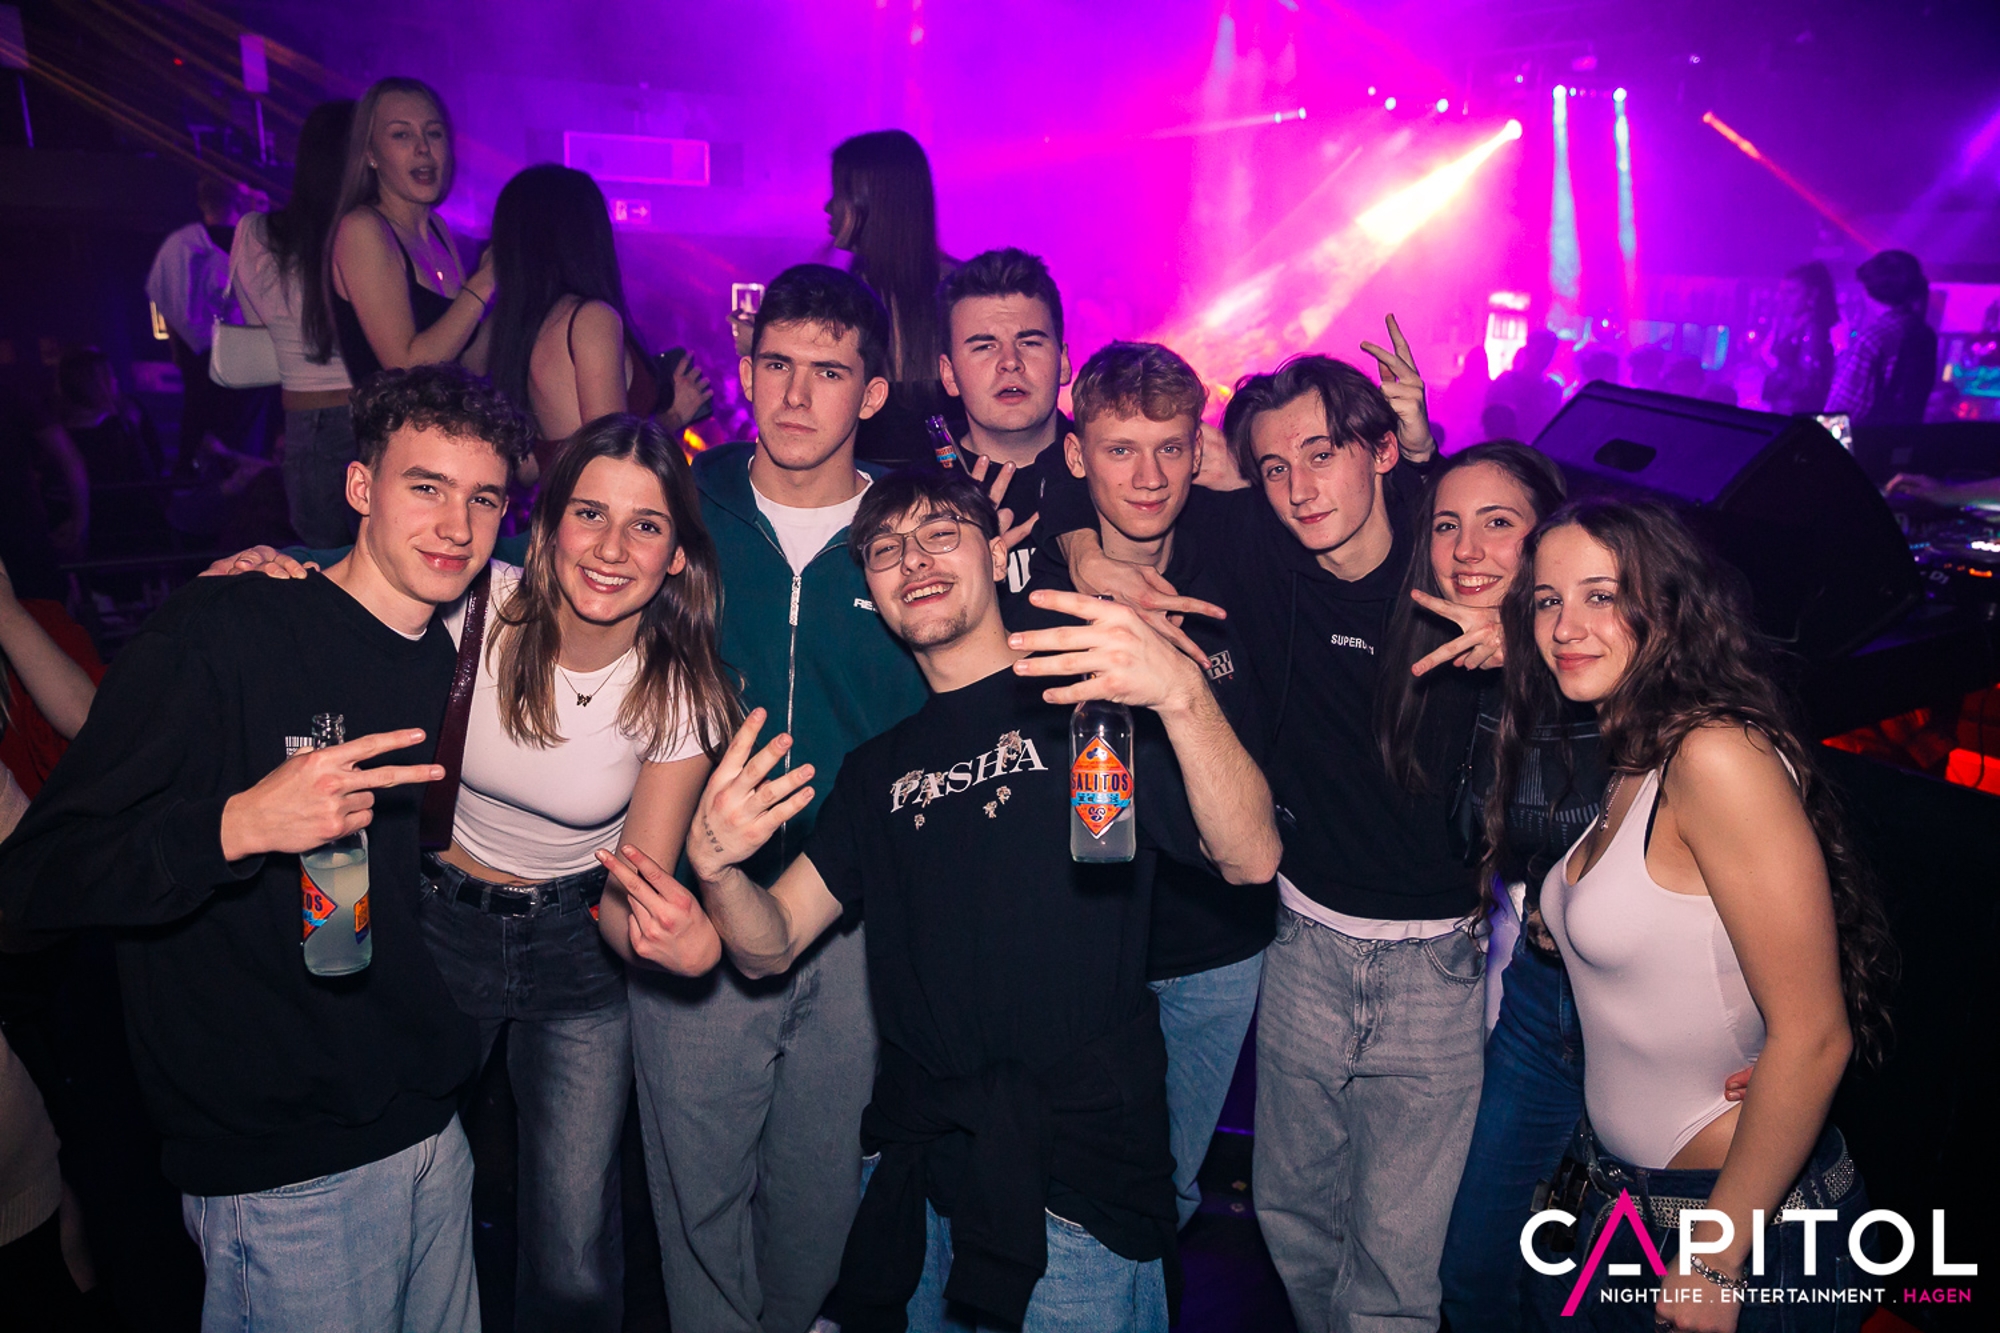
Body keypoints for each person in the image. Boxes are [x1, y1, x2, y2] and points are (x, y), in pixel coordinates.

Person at [603, 466, 1281, 1332]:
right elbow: (770, 945)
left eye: (940, 534)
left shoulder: (1087, 707)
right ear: (873, 589)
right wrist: (721, 872)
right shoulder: (876, 771)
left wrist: (1182, 695)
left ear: (997, 556)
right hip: (919, 1180)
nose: (913, 559)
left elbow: (1251, 858)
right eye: (886, 549)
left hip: (1077, 1179)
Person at [0, 363, 528, 1333]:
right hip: (287, 1171)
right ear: (359, 485)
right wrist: (237, 826)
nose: (455, 525)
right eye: (425, 486)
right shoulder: (225, 626)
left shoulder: (449, 659)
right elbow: (35, 880)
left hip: (424, 1125)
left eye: (482, 497)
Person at [1054, 331, 1492, 1331]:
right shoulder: (1251, 544)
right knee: (1291, 1218)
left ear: (1380, 452)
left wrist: (1519, 613)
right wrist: (1083, 549)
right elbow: (1089, 478)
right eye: (1276, 467)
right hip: (1292, 934)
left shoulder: (1449, 565)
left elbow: (1548, 543)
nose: (1299, 487)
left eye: (1322, 454)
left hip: (1422, 953)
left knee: (1394, 1261)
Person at [626, 262, 930, 1333]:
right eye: (778, 366)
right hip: (699, 905)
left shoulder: (909, 533)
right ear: (747, 371)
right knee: (697, 1208)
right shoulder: (682, 505)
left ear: (872, 392)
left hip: (853, 921)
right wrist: (305, 560)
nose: (797, 395)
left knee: (818, 1201)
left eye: (829, 372)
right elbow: (534, 572)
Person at [1510, 500, 1895, 1331]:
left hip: (1736, 1228)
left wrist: (1717, 1257)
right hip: (1623, 1203)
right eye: (1547, 600)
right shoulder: (1636, 745)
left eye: (1601, 595)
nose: (1565, 626)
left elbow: (1816, 1032)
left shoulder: (1714, 754)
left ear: (1668, 605)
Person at [1010, 340, 1274, 1232]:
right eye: (1120, 449)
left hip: (1216, 943)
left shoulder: (1239, 556)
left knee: (1171, 1192)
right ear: (1078, 454)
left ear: (1200, 451)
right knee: (1064, 1192)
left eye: (1169, 447)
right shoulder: (1036, 580)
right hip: (1074, 940)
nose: (1149, 476)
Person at [484, 164, 712, 475]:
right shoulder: (590, 319)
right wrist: (673, 416)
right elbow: (610, 457)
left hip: (560, 501)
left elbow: (528, 469)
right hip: (597, 503)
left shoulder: (522, 328)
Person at [230, 98, 361, 546]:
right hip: (377, 414)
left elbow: (257, 323)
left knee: (326, 568)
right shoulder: (371, 234)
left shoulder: (255, 232)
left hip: (308, 418)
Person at [329, 78, 494, 385]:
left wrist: (515, 286)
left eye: (434, 133)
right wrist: (482, 284)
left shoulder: (437, 228)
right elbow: (404, 368)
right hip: (395, 418)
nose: (423, 148)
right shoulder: (362, 229)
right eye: (401, 134)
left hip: (449, 415)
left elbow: (472, 362)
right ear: (370, 154)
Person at [936, 247, 1073, 610]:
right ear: (949, 375)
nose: (1010, 362)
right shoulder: (919, 497)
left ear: (1063, 361)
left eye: (1029, 342)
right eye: (984, 346)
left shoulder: (1119, 467)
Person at [827, 129, 958, 467]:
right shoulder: (843, 293)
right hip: (870, 489)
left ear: (875, 202)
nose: (828, 207)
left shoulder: (962, 293)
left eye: (839, 193)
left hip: (941, 487)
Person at [147, 175, 275, 467]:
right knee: (244, 424)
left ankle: (192, 474)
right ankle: (245, 474)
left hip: (198, 351)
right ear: (238, 202)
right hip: (246, 349)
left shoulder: (179, 245)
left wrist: (177, 349)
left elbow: (168, 300)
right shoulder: (257, 243)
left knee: (199, 414)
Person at [1826, 249, 1938, 427]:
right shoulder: (1925, 333)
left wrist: (1841, 351)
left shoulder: (1873, 340)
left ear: (1868, 291)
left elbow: (1842, 412)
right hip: (1906, 439)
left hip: (1868, 442)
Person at [1760, 262, 1837, 416]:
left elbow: (1806, 381)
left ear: (1812, 294)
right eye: (1782, 292)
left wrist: (1772, 363)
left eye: (1792, 292)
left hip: (1798, 417)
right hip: (1788, 413)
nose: (1783, 298)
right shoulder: (1796, 328)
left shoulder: (1813, 330)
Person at [1488, 330, 1563, 440]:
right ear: (1528, 351)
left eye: (1550, 353)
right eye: (1540, 351)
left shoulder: (1553, 390)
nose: (1545, 357)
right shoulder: (1505, 383)